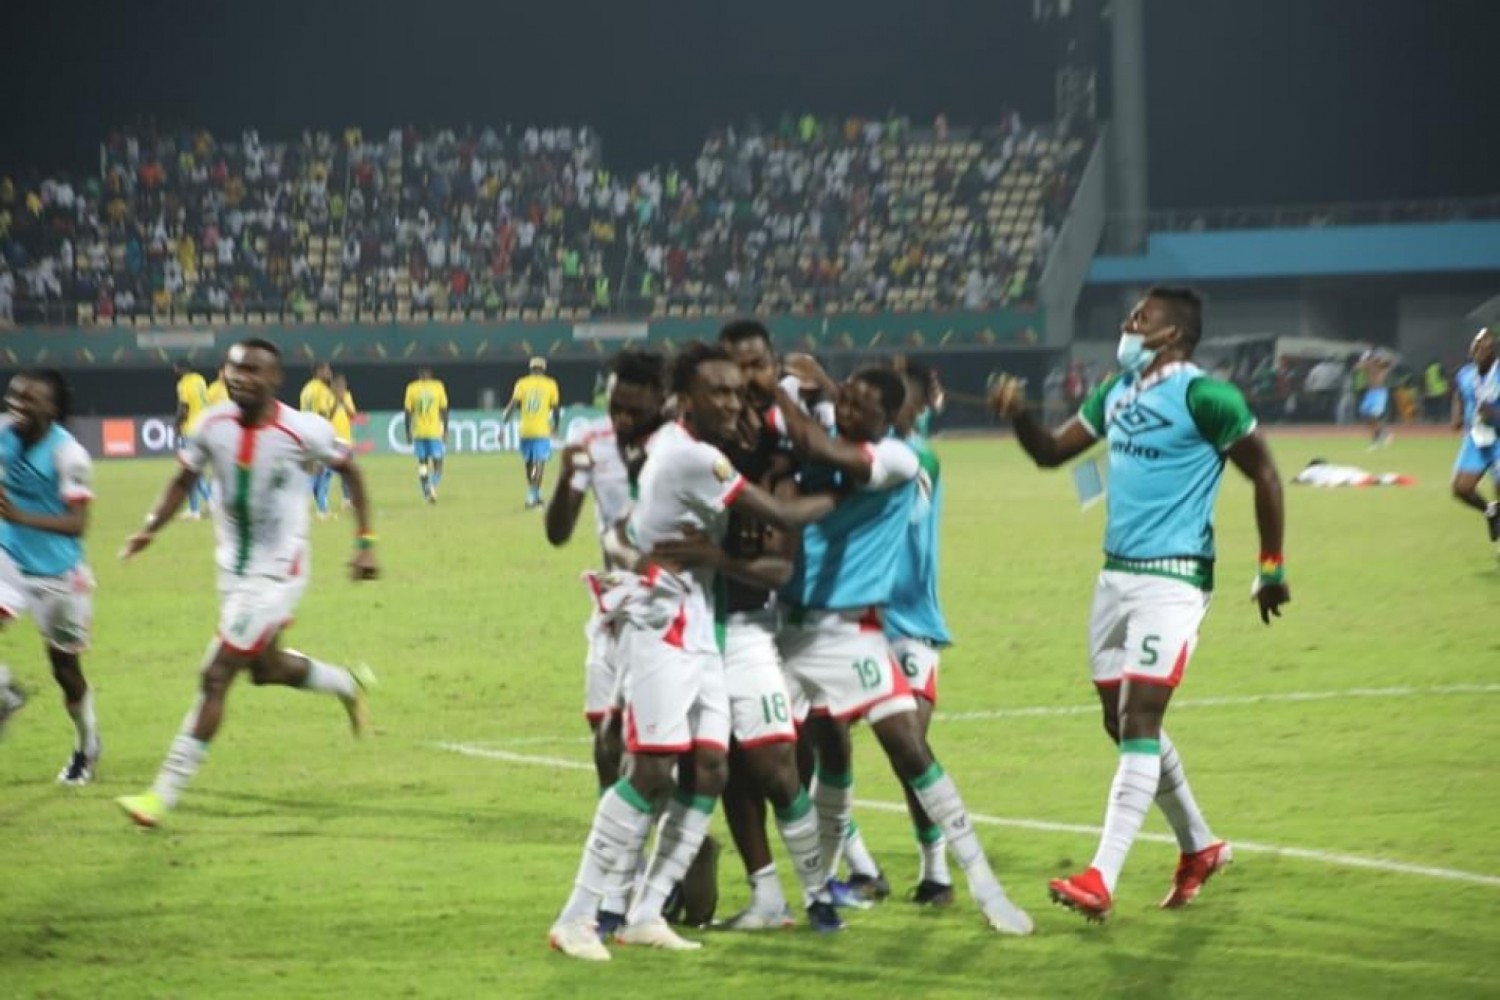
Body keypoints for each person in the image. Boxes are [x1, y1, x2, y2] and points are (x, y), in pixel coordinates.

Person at [988, 286, 1290, 922]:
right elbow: (1051, 453)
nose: (1128, 324)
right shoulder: (1116, 392)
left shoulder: (1207, 397)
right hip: (1114, 579)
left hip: (1173, 579)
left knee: (1140, 718)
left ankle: (1101, 878)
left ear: (1171, 333)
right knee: (1118, 721)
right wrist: (1018, 415)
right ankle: (1199, 846)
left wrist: (1271, 567)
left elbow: (1264, 472)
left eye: (1140, 317)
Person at [547, 343, 840, 962]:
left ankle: (645, 912)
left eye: (736, 392)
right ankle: (578, 916)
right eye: (720, 393)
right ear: (686, 401)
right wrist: (855, 487)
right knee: (651, 771)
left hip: (702, 621)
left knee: (710, 767)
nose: (732, 403)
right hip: (664, 623)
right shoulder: (694, 456)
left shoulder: (674, 446)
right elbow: (782, 513)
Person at [769, 360, 1032, 936]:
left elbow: (820, 445)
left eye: (865, 406)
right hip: (787, 631)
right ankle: (820, 891)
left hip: (854, 633)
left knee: (910, 749)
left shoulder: (900, 458)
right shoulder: (828, 438)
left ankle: (984, 887)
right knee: (805, 758)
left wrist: (778, 388)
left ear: (889, 418)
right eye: (847, 401)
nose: (849, 411)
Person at [115, 339, 379, 828]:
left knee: (216, 674)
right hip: (232, 573)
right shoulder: (210, 424)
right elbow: (183, 479)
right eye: (234, 369)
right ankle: (347, 683)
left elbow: (352, 472)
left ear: (275, 379)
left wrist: (365, 542)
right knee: (264, 668)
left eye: (253, 370)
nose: (240, 378)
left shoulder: (303, 430)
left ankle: (161, 795)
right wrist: (151, 528)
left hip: (278, 574)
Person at [543, 348, 666, 867]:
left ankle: (661, 856)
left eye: (634, 410)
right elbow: (558, 533)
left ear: (661, 401)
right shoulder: (591, 441)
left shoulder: (678, 446)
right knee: (606, 739)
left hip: (668, 615)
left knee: (658, 750)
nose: (622, 419)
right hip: (613, 610)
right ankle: (617, 860)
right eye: (616, 407)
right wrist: (567, 478)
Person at [0, 370, 101, 784]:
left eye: (29, 399)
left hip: (58, 575)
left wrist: (19, 515)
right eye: (13, 396)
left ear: (52, 408)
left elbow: (78, 524)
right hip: (7, 556)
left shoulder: (69, 455)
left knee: (66, 672)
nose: (17, 405)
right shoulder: (4, 433)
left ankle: (87, 746)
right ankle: (5, 693)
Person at [883, 359, 956, 905]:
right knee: (817, 745)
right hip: (849, 622)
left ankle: (938, 867)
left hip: (910, 622)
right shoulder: (867, 447)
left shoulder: (917, 457)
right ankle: (846, 865)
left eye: (900, 399)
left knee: (910, 747)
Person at [1450, 328, 1500, 543]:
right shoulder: (1466, 374)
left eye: (1483, 348)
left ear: (1493, 352)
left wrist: (1494, 413)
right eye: (1475, 348)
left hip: (1499, 438)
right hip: (1476, 439)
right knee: (1461, 489)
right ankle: (1490, 511)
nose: (1477, 352)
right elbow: (1459, 394)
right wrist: (1457, 416)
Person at [503, 357, 561, 508]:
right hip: (541, 430)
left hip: (525, 430)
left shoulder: (522, 383)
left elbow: (513, 404)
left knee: (529, 463)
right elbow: (555, 408)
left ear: (530, 369)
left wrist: (504, 422)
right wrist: (556, 426)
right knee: (539, 462)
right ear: (543, 369)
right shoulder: (550, 384)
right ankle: (532, 496)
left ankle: (535, 495)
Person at [404, 366, 449, 503]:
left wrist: (408, 431)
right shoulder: (438, 386)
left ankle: (426, 490)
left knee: (422, 463)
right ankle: (432, 486)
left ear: (419, 375)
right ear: (430, 374)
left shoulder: (412, 388)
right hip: (433, 431)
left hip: (419, 431)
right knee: (438, 465)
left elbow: (407, 412)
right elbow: (444, 409)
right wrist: (446, 429)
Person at [174, 360, 213, 519]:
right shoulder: (200, 380)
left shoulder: (183, 384)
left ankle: (208, 503)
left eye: (175, 369)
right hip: (204, 428)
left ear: (180, 369)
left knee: (190, 470)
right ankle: (195, 508)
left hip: (190, 431)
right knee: (194, 469)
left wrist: (176, 425)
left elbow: (184, 408)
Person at [299, 362, 337, 517]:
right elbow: (322, 414)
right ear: (318, 372)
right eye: (327, 370)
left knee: (315, 470)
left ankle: (321, 508)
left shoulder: (306, 389)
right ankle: (319, 509)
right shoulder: (322, 390)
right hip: (318, 433)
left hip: (306, 432)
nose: (329, 373)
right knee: (322, 472)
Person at [330, 374, 357, 511]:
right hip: (333, 438)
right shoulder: (328, 397)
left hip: (346, 439)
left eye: (343, 386)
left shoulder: (347, 396)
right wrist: (336, 401)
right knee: (329, 473)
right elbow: (327, 415)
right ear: (334, 386)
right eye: (339, 385)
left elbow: (352, 415)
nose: (342, 388)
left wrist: (344, 402)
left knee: (348, 471)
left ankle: (347, 499)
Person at [1357, 350, 1394, 449]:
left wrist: (1379, 358)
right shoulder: (1368, 366)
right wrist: (1365, 359)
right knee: (1366, 417)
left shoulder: (1381, 365)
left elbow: (1390, 362)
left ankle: (1383, 435)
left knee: (1374, 416)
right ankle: (1380, 435)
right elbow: (1359, 367)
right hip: (1370, 393)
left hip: (1379, 393)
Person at [1423, 359, 1450, 423]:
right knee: (1441, 404)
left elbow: (1426, 381)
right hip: (1440, 389)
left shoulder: (1428, 370)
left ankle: (1434, 417)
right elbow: (1444, 377)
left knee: (1434, 404)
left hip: (1431, 390)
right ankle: (1440, 417)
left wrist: (1426, 390)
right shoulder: (1439, 367)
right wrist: (1447, 387)